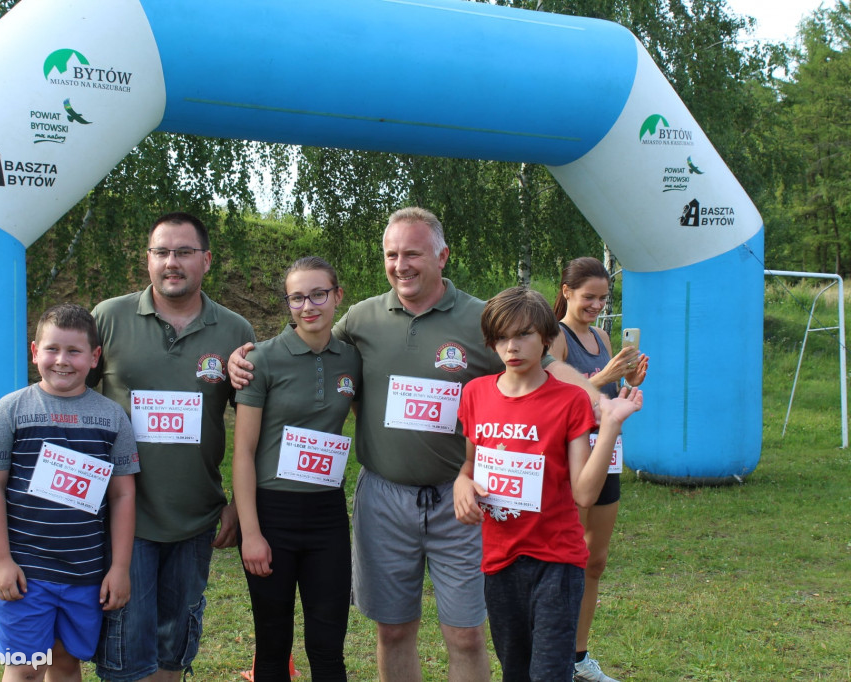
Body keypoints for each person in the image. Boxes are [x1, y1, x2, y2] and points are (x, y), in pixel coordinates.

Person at [231, 207, 596, 681]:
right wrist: (247, 358)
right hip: (384, 496)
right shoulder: (362, 318)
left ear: (442, 256)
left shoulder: (478, 317)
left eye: (412, 254)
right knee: (394, 631)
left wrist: (593, 396)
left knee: (466, 633)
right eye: (391, 254)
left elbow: (545, 364)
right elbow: (310, 341)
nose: (400, 264)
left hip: (460, 498)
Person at [89, 212, 256, 682]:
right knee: (124, 645)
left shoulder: (235, 331)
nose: (171, 262)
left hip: (195, 516)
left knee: (173, 647)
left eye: (183, 252)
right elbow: (71, 401)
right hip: (123, 513)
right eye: (161, 252)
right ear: (148, 260)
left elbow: (252, 427)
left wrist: (239, 507)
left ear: (206, 260)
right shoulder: (108, 317)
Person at [454, 287, 643, 682]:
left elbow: (585, 493)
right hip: (499, 560)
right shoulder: (474, 394)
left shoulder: (570, 401)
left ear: (545, 337)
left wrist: (609, 424)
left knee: (550, 674)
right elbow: (469, 465)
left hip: (556, 561)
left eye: (523, 335)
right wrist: (461, 485)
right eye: (502, 337)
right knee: (516, 672)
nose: (512, 346)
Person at [0, 303, 139, 682]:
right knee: (26, 668)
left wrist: (118, 568)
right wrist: (0, 559)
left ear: (95, 356)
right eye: (52, 349)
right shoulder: (10, 410)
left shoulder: (112, 417)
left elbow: (123, 496)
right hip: (24, 572)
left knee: (67, 663)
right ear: (35, 352)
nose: (62, 361)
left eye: (74, 351)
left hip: (84, 573)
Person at [232, 256, 361, 681]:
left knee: (328, 648)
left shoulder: (352, 359)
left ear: (337, 296)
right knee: (272, 646)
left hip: (326, 516)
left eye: (318, 294)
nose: (309, 306)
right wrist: (251, 533)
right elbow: (244, 453)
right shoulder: (262, 360)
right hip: (273, 515)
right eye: (297, 297)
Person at [549, 257, 648, 682]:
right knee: (567, 559)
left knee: (595, 558)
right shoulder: (553, 337)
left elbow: (603, 396)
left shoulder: (604, 337)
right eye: (589, 297)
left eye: (603, 298)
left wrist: (629, 382)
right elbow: (554, 397)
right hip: (571, 459)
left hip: (608, 454)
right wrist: (605, 373)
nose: (596, 305)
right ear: (567, 291)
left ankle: (578, 655)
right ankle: (553, 656)